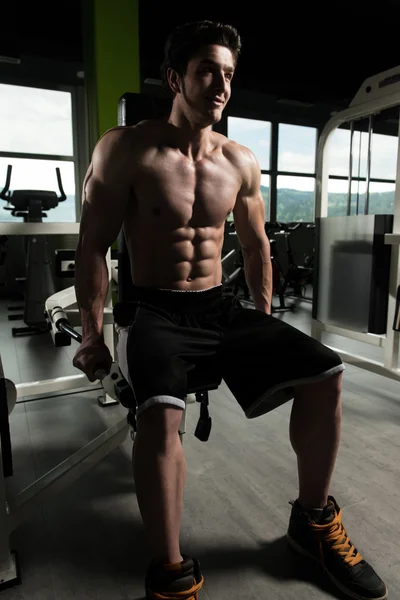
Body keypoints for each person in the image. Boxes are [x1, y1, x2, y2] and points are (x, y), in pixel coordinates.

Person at [73, 20, 387, 600]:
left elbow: (257, 243)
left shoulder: (239, 160)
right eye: (207, 72)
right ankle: (171, 572)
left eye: (229, 75)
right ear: (175, 78)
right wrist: (93, 333)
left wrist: (264, 317)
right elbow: (92, 246)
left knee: (327, 373)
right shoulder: (127, 150)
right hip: (156, 312)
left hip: (222, 307)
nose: (221, 86)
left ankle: (312, 523)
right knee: (162, 415)